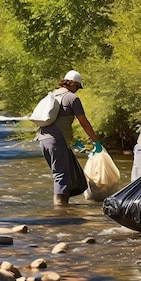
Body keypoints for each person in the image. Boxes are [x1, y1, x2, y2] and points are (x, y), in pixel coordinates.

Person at [35, 70, 103, 205]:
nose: (77, 90)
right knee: (62, 175)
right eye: (77, 87)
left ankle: (62, 208)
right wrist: (96, 141)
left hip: (43, 139)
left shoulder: (53, 95)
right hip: (56, 140)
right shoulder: (72, 98)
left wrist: (74, 141)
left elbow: (56, 122)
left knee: (59, 173)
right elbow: (83, 122)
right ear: (73, 84)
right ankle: (60, 211)